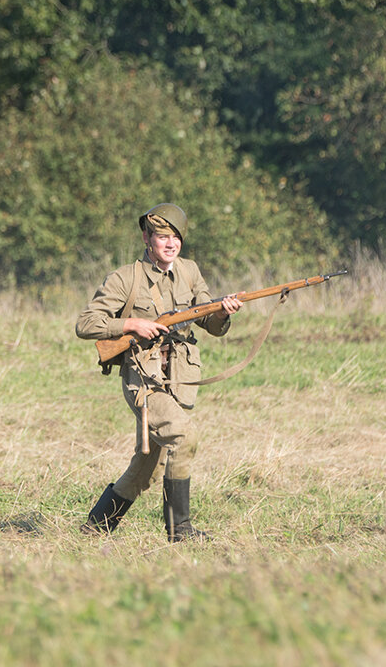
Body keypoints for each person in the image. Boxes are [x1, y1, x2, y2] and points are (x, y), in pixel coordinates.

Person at [75, 203, 243, 542]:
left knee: (146, 469)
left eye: (175, 238)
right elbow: (85, 324)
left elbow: (210, 324)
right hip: (144, 381)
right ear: (146, 238)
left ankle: (95, 528)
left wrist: (223, 313)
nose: (170, 244)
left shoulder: (190, 272)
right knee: (184, 437)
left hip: (179, 380)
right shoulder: (125, 278)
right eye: (162, 237)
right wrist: (131, 323)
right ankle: (179, 531)